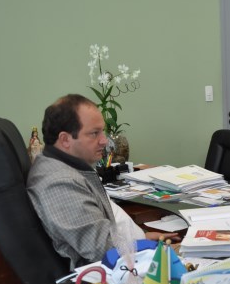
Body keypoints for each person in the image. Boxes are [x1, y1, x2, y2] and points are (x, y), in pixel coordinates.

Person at [27, 94, 177, 269]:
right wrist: (146, 246)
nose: (104, 140)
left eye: (102, 131)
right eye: (94, 133)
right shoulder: (59, 183)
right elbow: (104, 249)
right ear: (65, 139)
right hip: (104, 277)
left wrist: (141, 237)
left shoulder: (64, 166)